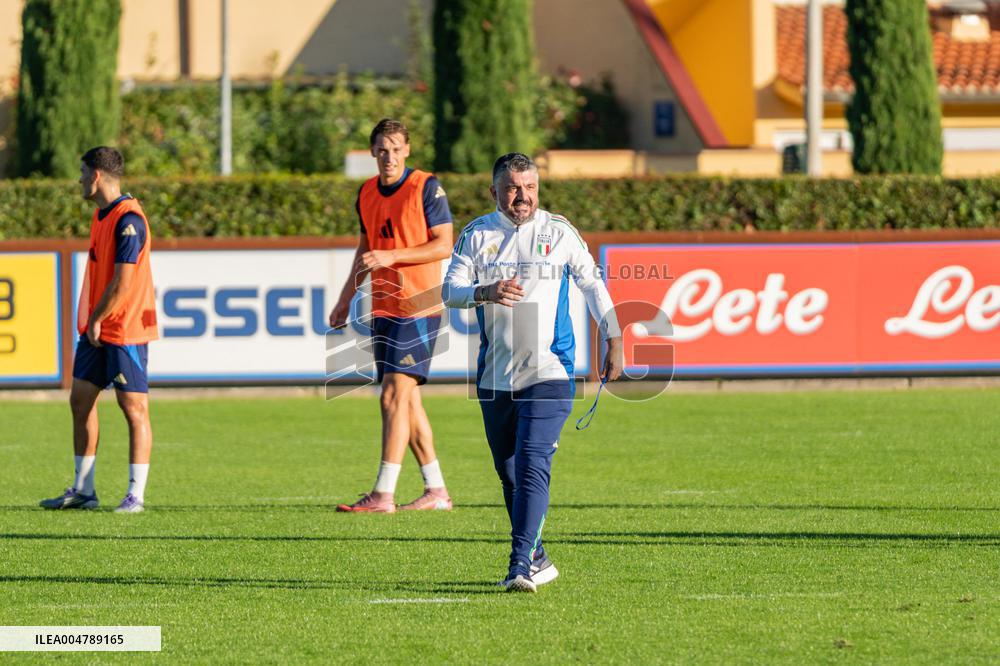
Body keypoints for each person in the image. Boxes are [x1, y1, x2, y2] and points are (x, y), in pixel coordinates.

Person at [443, 152, 624, 592]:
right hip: (495, 377)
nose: (522, 196)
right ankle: (538, 553)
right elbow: (449, 292)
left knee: (531, 464)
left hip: (550, 371)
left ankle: (519, 564)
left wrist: (614, 336)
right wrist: (484, 292)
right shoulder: (476, 235)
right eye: (512, 188)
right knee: (508, 473)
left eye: (530, 187)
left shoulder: (558, 232)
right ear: (494, 192)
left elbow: (592, 283)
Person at [329, 118, 454, 513]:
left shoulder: (426, 187)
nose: (389, 156)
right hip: (383, 305)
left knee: (392, 395)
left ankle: (383, 494)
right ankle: (436, 491)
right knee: (408, 402)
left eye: (397, 148)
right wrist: (346, 297)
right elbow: (365, 249)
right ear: (372, 152)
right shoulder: (366, 192)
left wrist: (393, 255)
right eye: (382, 149)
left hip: (418, 303)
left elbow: (444, 245)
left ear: (407, 151)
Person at [40, 146, 158, 514]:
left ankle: (135, 495)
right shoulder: (102, 216)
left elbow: (123, 284)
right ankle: (84, 490)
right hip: (98, 330)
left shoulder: (129, 220)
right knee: (80, 402)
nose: (78, 179)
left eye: (81, 171)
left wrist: (95, 319)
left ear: (95, 175)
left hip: (125, 329)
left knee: (133, 407)